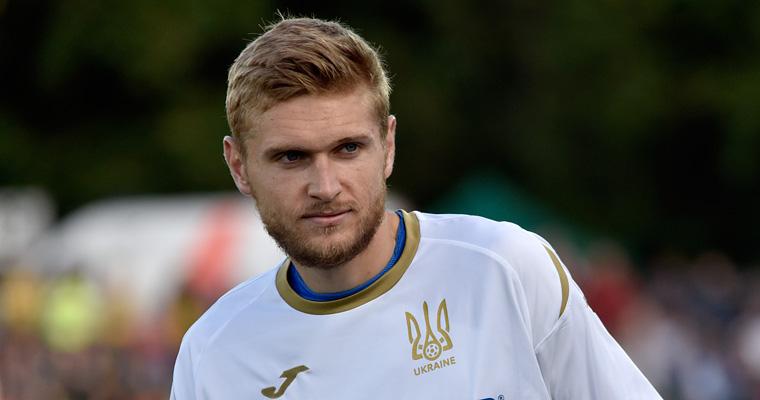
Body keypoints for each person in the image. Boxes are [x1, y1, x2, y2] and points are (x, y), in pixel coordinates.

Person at [170, 16, 661, 399]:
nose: (325, 186)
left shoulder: (504, 269)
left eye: (348, 148)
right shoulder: (213, 352)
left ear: (388, 146)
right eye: (291, 157)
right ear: (239, 166)